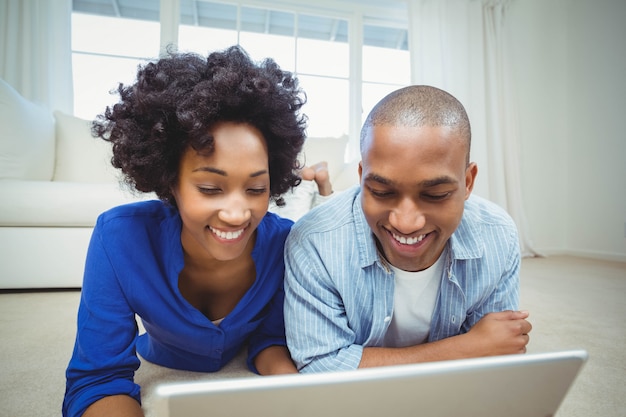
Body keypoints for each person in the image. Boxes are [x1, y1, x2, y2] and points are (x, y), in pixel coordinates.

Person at [63, 45, 309, 417]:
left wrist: (300, 395)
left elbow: (271, 338)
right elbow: (98, 379)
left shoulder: (286, 243)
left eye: (256, 189)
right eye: (210, 189)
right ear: (169, 183)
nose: (238, 213)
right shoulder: (119, 238)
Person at [284, 85, 532, 373]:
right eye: (380, 191)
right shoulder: (314, 241)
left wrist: (481, 348)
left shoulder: (498, 234)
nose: (406, 222)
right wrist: (465, 348)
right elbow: (320, 365)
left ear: (468, 182)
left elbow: (496, 353)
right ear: (362, 178)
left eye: (435, 195)